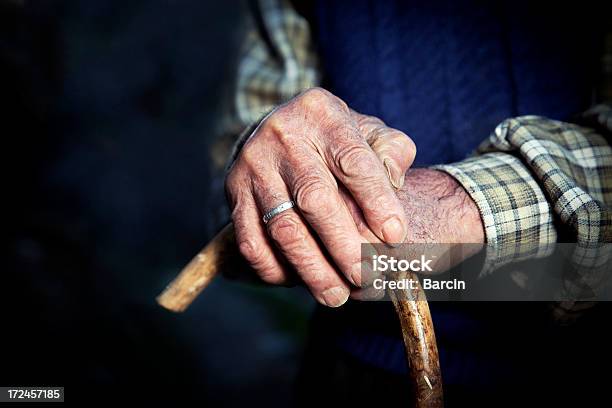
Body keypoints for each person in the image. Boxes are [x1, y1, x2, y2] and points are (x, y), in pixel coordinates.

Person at [217, 0, 612, 405]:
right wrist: (279, 172)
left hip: (577, 370)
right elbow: (230, 204)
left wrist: (463, 203)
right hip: (346, 371)